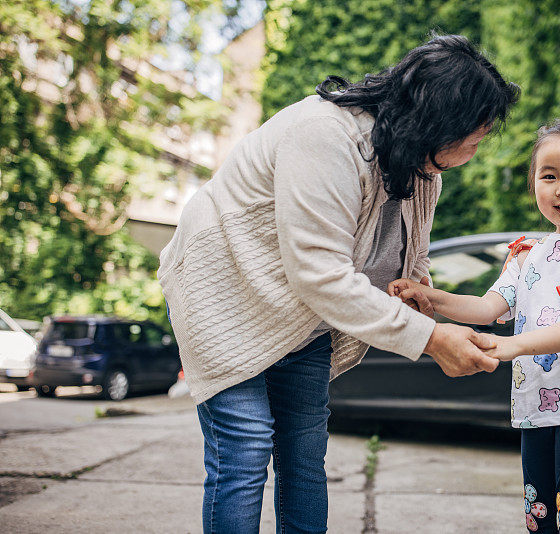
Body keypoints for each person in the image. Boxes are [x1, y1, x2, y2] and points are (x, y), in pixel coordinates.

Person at [157, 35, 519, 533]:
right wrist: (432, 340)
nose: (476, 150)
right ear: (439, 121)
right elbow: (321, 274)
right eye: (474, 138)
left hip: (300, 317)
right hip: (224, 297)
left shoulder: (422, 171)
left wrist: (425, 302)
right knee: (246, 449)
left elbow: (407, 262)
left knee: (304, 453)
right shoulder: (324, 135)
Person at [390, 118, 560, 534]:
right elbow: (487, 307)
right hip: (537, 405)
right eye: (549, 176)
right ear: (533, 182)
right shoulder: (527, 254)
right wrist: (431, 296)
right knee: (540, 520)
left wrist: (513, 346)